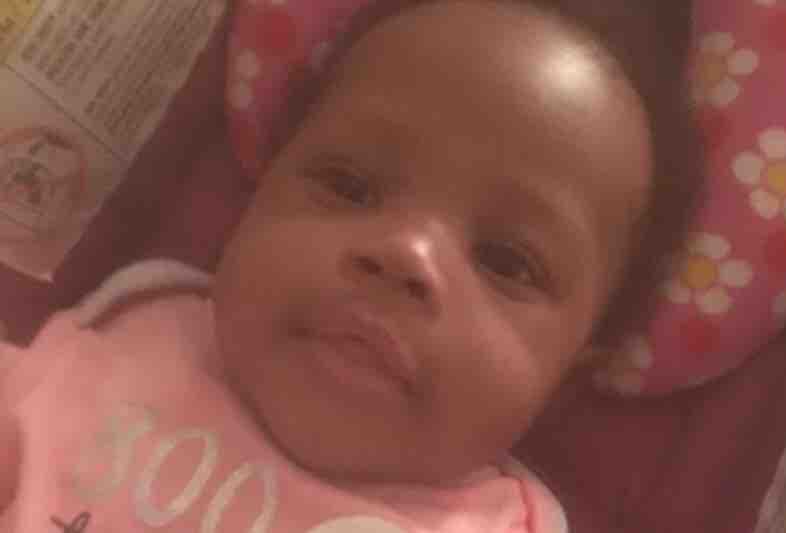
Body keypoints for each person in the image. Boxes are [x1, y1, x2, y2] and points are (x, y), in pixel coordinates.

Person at [0, 0, 700, 531]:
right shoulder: (141, 337)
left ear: (567, 377)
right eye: (349, 186)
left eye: (505, 261)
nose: (405, 253)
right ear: (254, 202)